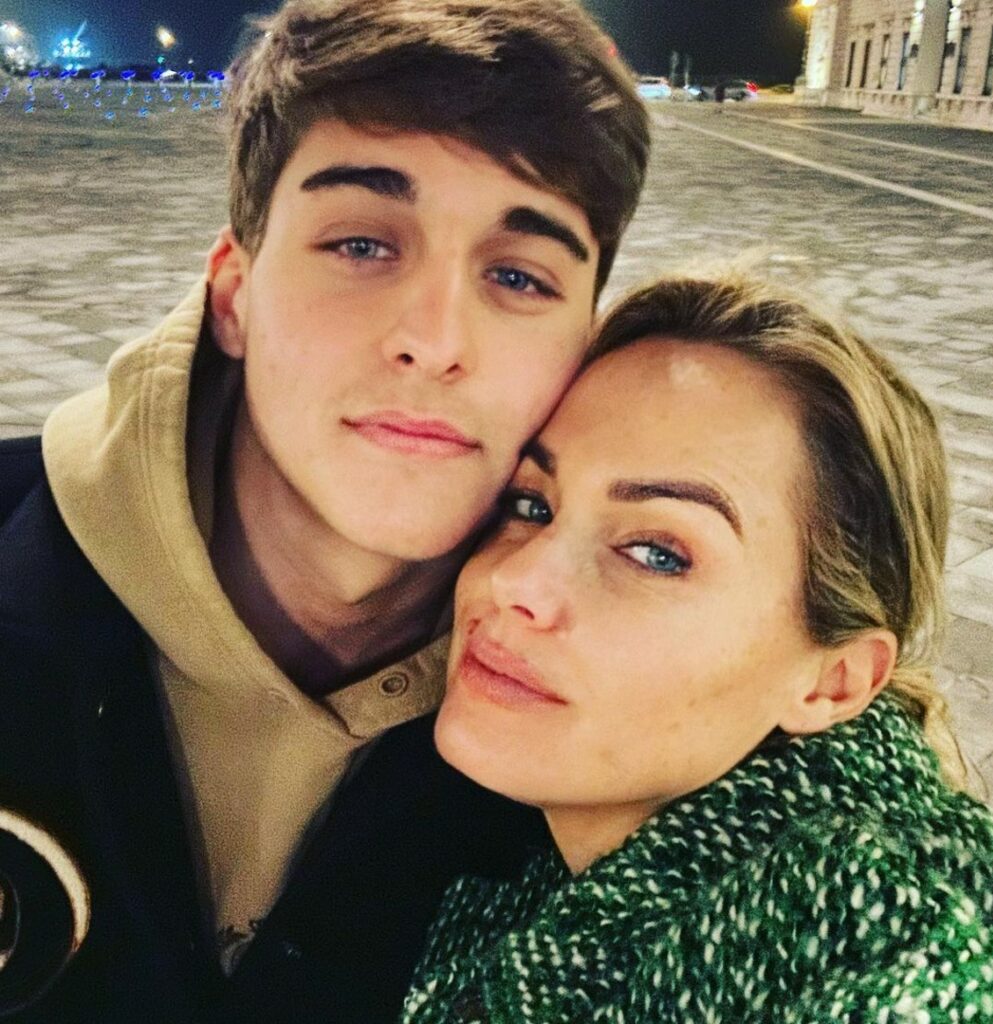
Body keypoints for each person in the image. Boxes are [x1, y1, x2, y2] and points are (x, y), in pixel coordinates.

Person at [0, 1, 650, 1020]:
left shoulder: (626, 714)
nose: (436, 340)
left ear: (584, 343)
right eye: (360, 245)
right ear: (233, 292)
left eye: (518, 276)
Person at [402, 271, 993, 1023]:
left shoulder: (886, 933)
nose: (515, 579)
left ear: (835, 682)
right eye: (532, 504)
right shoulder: (537, 861)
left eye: (658, 553)